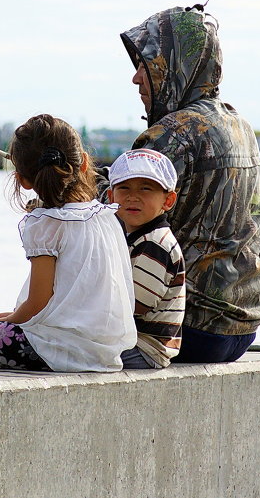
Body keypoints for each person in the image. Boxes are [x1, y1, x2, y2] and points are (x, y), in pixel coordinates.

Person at [119, 0, 260, 363]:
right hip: (241, 330)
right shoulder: (239, 125)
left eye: (147, 66)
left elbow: (115, 222)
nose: (137, 78)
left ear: (175, 67)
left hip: (188, 329)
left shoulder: (171, 134)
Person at [0, 114, 137, 372]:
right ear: (84, 162)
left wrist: (13, 318)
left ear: (22, 180)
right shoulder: (106, 214)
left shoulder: (45, 225)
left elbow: (38, 301)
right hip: (104, 350)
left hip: (59, 351)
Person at [106, 149, 186, 369]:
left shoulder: (156, 244)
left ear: (168, 200)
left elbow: (133, 306)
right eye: (124, 188)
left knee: (47, 348)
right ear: (111, 197)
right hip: (129, 343)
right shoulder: (136, 237)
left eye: (146, 188)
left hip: (144, 348)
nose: (133, 196)